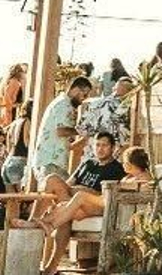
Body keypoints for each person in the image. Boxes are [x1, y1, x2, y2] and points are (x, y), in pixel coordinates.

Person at [38, 130, 126, 275]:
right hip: (75, 203)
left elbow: (110, 196)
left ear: (112, 148)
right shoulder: (88, 163)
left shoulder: (117, 168)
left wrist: (85, 191)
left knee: (76, 200)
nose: (100, 149)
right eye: (97, 145)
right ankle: (37, 220)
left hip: (95, 205)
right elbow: (67, 185)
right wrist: (69, 197)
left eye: (104, 145)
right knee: (52, 179)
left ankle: (48, 223)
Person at [30, 75, 95, 213]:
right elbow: (61, 131)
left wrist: (85, 138)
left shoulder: (61, 103)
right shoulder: (64, 105)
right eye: (84, 94)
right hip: (51, 162)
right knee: (55, 203)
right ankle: (32, 227)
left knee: (53, 205)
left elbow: (66, 144)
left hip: (52, 161)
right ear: (75, 89)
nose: (84, 98)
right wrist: (81, 130)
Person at [77, 77, 135, 147]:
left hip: (95, 147)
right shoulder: (128, 105)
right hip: (116, 148)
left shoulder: (94, 103)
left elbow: (81, 129)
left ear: (114, 89)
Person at [2, 99, 31, 190]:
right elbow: (27, 143)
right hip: (19, 162)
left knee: (12, 201)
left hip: (8, 162)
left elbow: (8, 144)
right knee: (21, 199)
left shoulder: (15, 123)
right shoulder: (27, 122)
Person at [2, 63, 25, 127]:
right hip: (10, 113)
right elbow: (8, 99)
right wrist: (17, 105)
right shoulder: (15, 82)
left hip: (6, 112)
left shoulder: (7, 82)